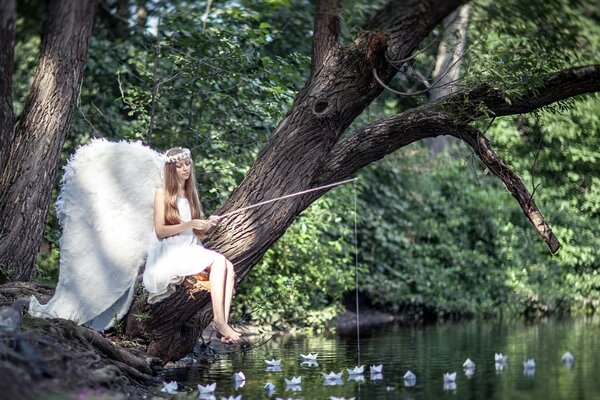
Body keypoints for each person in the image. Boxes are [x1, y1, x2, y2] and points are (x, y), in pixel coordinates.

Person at [143, 147, 240, 344]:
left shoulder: (190, 193)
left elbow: (196, 233)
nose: (185, 169)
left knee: (229, 267)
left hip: (190, 246)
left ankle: (222, 324)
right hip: (171, 250)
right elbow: (160, 231)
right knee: (219, 261)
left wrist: (207, 224)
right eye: (179, 166)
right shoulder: (162, 193)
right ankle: (219, 320)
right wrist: (191, 223)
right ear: (172, 170)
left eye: (187, 164)